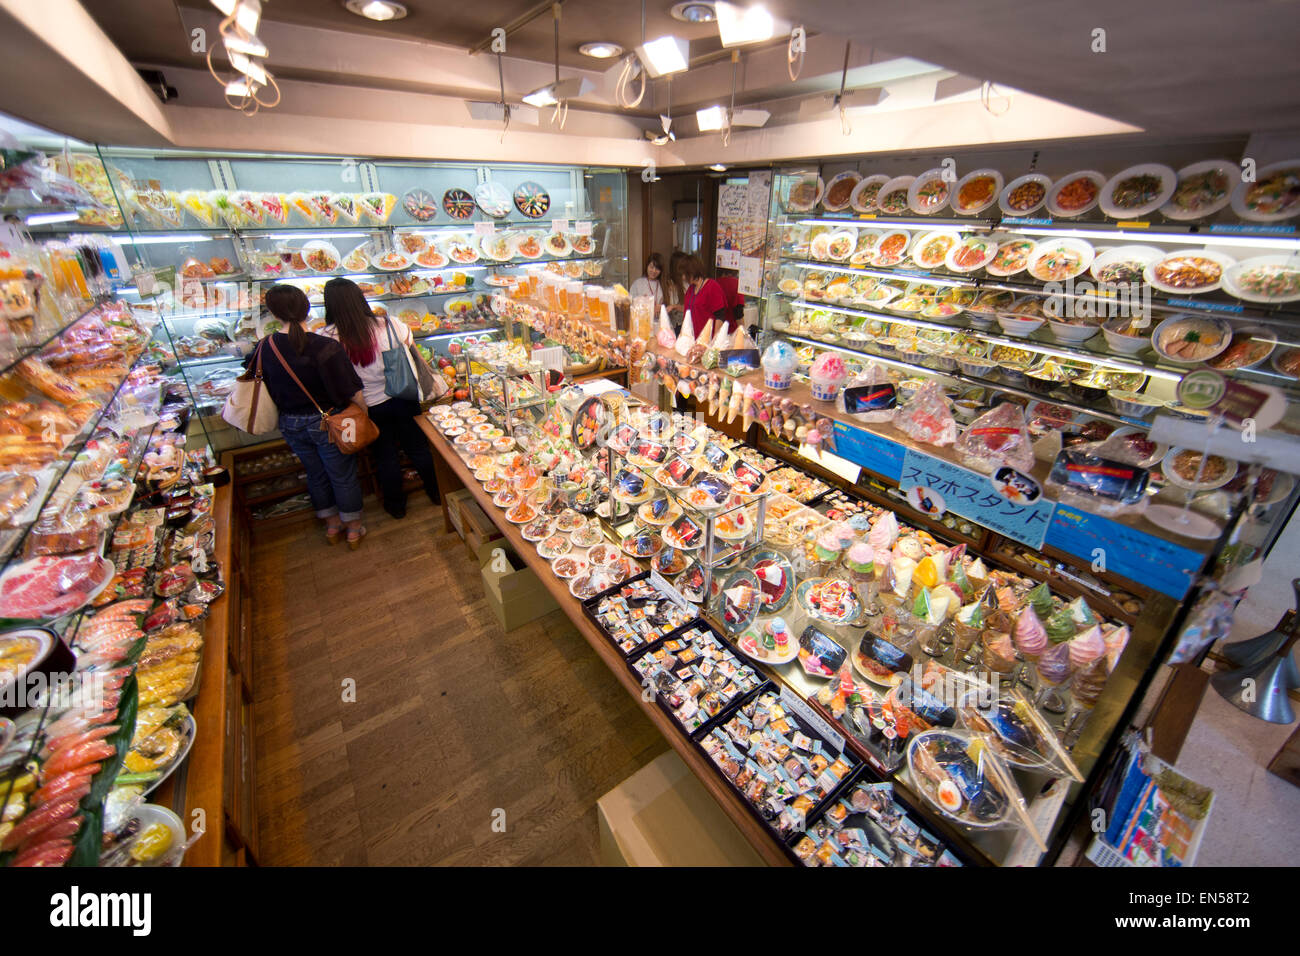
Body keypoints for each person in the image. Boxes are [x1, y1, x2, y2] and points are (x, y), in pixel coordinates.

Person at [248, 284, 368, 548]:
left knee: (315, 474)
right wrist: (364, 413)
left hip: (290, 423)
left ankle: (332, 525)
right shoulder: (325, 346)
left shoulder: (264, 348)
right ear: (308, 308)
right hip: (330, 420)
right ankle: (354, 529)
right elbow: (351, 389)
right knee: (342, 475)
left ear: (272, 313)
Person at [321, 277, 441, 521]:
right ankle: (437, 494)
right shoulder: (389, 323)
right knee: (418, 448)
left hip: (367, 406)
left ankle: (396, 506)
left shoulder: (328, 337)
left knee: (385, 456)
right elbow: (412, 350)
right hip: (403, 396)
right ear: (360, 299)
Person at [679, 255, 736, 338]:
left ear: (692, 271)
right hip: (692, 339)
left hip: (707, 339)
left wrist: (715, 341)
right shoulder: (690, 290)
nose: (683, 277)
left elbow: (720, 316)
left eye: (685, 274)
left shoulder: (712, 286)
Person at [629, 252, 667, 317]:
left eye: (657, 269)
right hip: (642, 320)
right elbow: (630, 304)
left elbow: (670, 307)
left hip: (660, 322)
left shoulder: (664, 284)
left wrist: (662, 308)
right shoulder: (638, 284)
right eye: (651, 267)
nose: (654, 271)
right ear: (647, 266)